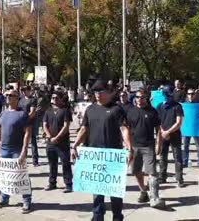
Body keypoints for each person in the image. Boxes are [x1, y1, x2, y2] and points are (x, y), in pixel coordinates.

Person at [71, 79, 133, 221]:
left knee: (115, 192)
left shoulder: (116, 109)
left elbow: (124, 129)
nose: (98, 95)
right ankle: (98, 217)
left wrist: (129, 149)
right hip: (95, 157)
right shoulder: (90, 109)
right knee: (97, 193)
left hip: (113, 157)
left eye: (101, 92)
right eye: (96, 92)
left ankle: (117, 217)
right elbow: (84, 129)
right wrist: (75, 145)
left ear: (109, 93)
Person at [0, 89, 32, 214]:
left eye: (11, 95)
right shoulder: (3, 114)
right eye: (7, 95)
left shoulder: (22, 114)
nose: (8, 97)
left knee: (21, 176)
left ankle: (26, 200)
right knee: (4, 176)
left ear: (17, 98)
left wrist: (24, 151)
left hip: (17, 149)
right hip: (4, 150)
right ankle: (4, 199)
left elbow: (27, 133)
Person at [126, 88, 165, 208]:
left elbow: (159, 130)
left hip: (148, 146)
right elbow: (126, 130)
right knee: (136, 171)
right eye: (137, 97)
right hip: (134, 146)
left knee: (152, 172)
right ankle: (143, 191)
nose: (139, 99)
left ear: (146, 98)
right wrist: (128, 147)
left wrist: (159, 144)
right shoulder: (131, 112)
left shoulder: (152, 111)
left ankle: (154, 197)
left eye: (142, 97)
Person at [43, 91, 73, 193]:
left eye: (56, 98)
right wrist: (49, 135)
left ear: (61, 99)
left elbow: (66, 126)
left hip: (62, 142)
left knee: (65, 163)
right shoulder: (48, 111)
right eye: (53, 98)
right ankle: (52, 182)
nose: (54, 100)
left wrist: (57, 137)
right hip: (50, 142)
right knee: (52, 163)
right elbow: (45, 124)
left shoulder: (65, 111)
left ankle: (68, 184)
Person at [157, 85, 185, 187]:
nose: (167, 97)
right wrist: (162, 132)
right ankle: (162, 176)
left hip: (175, 134)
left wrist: (168, 132)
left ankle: (179, 178)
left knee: (177, 156)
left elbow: (179, 123)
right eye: (165, 94)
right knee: (162, 156)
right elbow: (158, 121)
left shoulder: (177, 106)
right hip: (163, 134)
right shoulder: (160, 106)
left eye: (168, 95)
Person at [182, 88, 199, 169]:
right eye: (189, 94)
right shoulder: (183, 105)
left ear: (195, 95)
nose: (190, 95)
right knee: (185, 146)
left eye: (192, 94)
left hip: (196, 128)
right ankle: (185, 161)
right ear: (187, 95)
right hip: (186, 128)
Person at [18, 86, 39, 166]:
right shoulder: (21, 100)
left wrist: (25, 120)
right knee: (23, 142)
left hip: (30, 123)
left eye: (25, 90)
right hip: (22, 123)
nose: (24, 92)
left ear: (29, 91)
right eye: (23, 90)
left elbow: (32, 112)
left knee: (33, 142)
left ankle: (35, 160)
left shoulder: (33, 99)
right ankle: (24, 159)